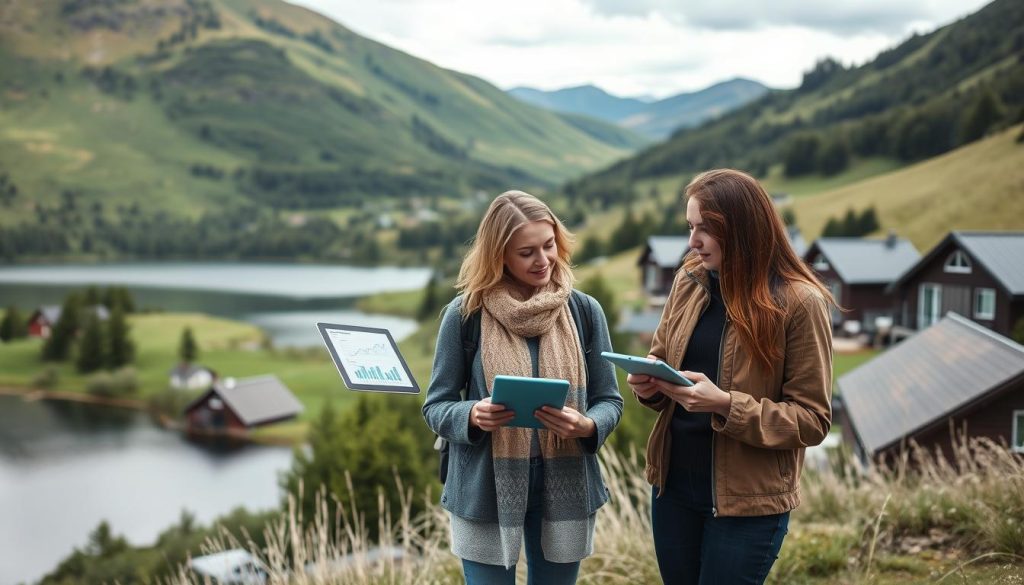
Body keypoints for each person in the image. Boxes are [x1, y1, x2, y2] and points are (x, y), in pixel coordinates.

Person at [628, 169, 834, 585]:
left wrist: (724, 404)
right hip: (673, 490)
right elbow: (662, 356)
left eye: (705, 229)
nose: (693, 241)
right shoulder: (690, 278)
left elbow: (812, 420)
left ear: (741, 229)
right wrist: (650, 387)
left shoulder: (799, 302)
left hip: (748, 504)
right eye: (690, 227)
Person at [423, 190, 623, 585]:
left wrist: (587, 425)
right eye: (527, 252)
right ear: (499, 256)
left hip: (565, 483)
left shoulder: (584, 311)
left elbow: (610, 401)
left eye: (548, 245)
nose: (543, 260)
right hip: (484, 489)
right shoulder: (465, 316)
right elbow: (436, 406)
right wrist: (471, 414)